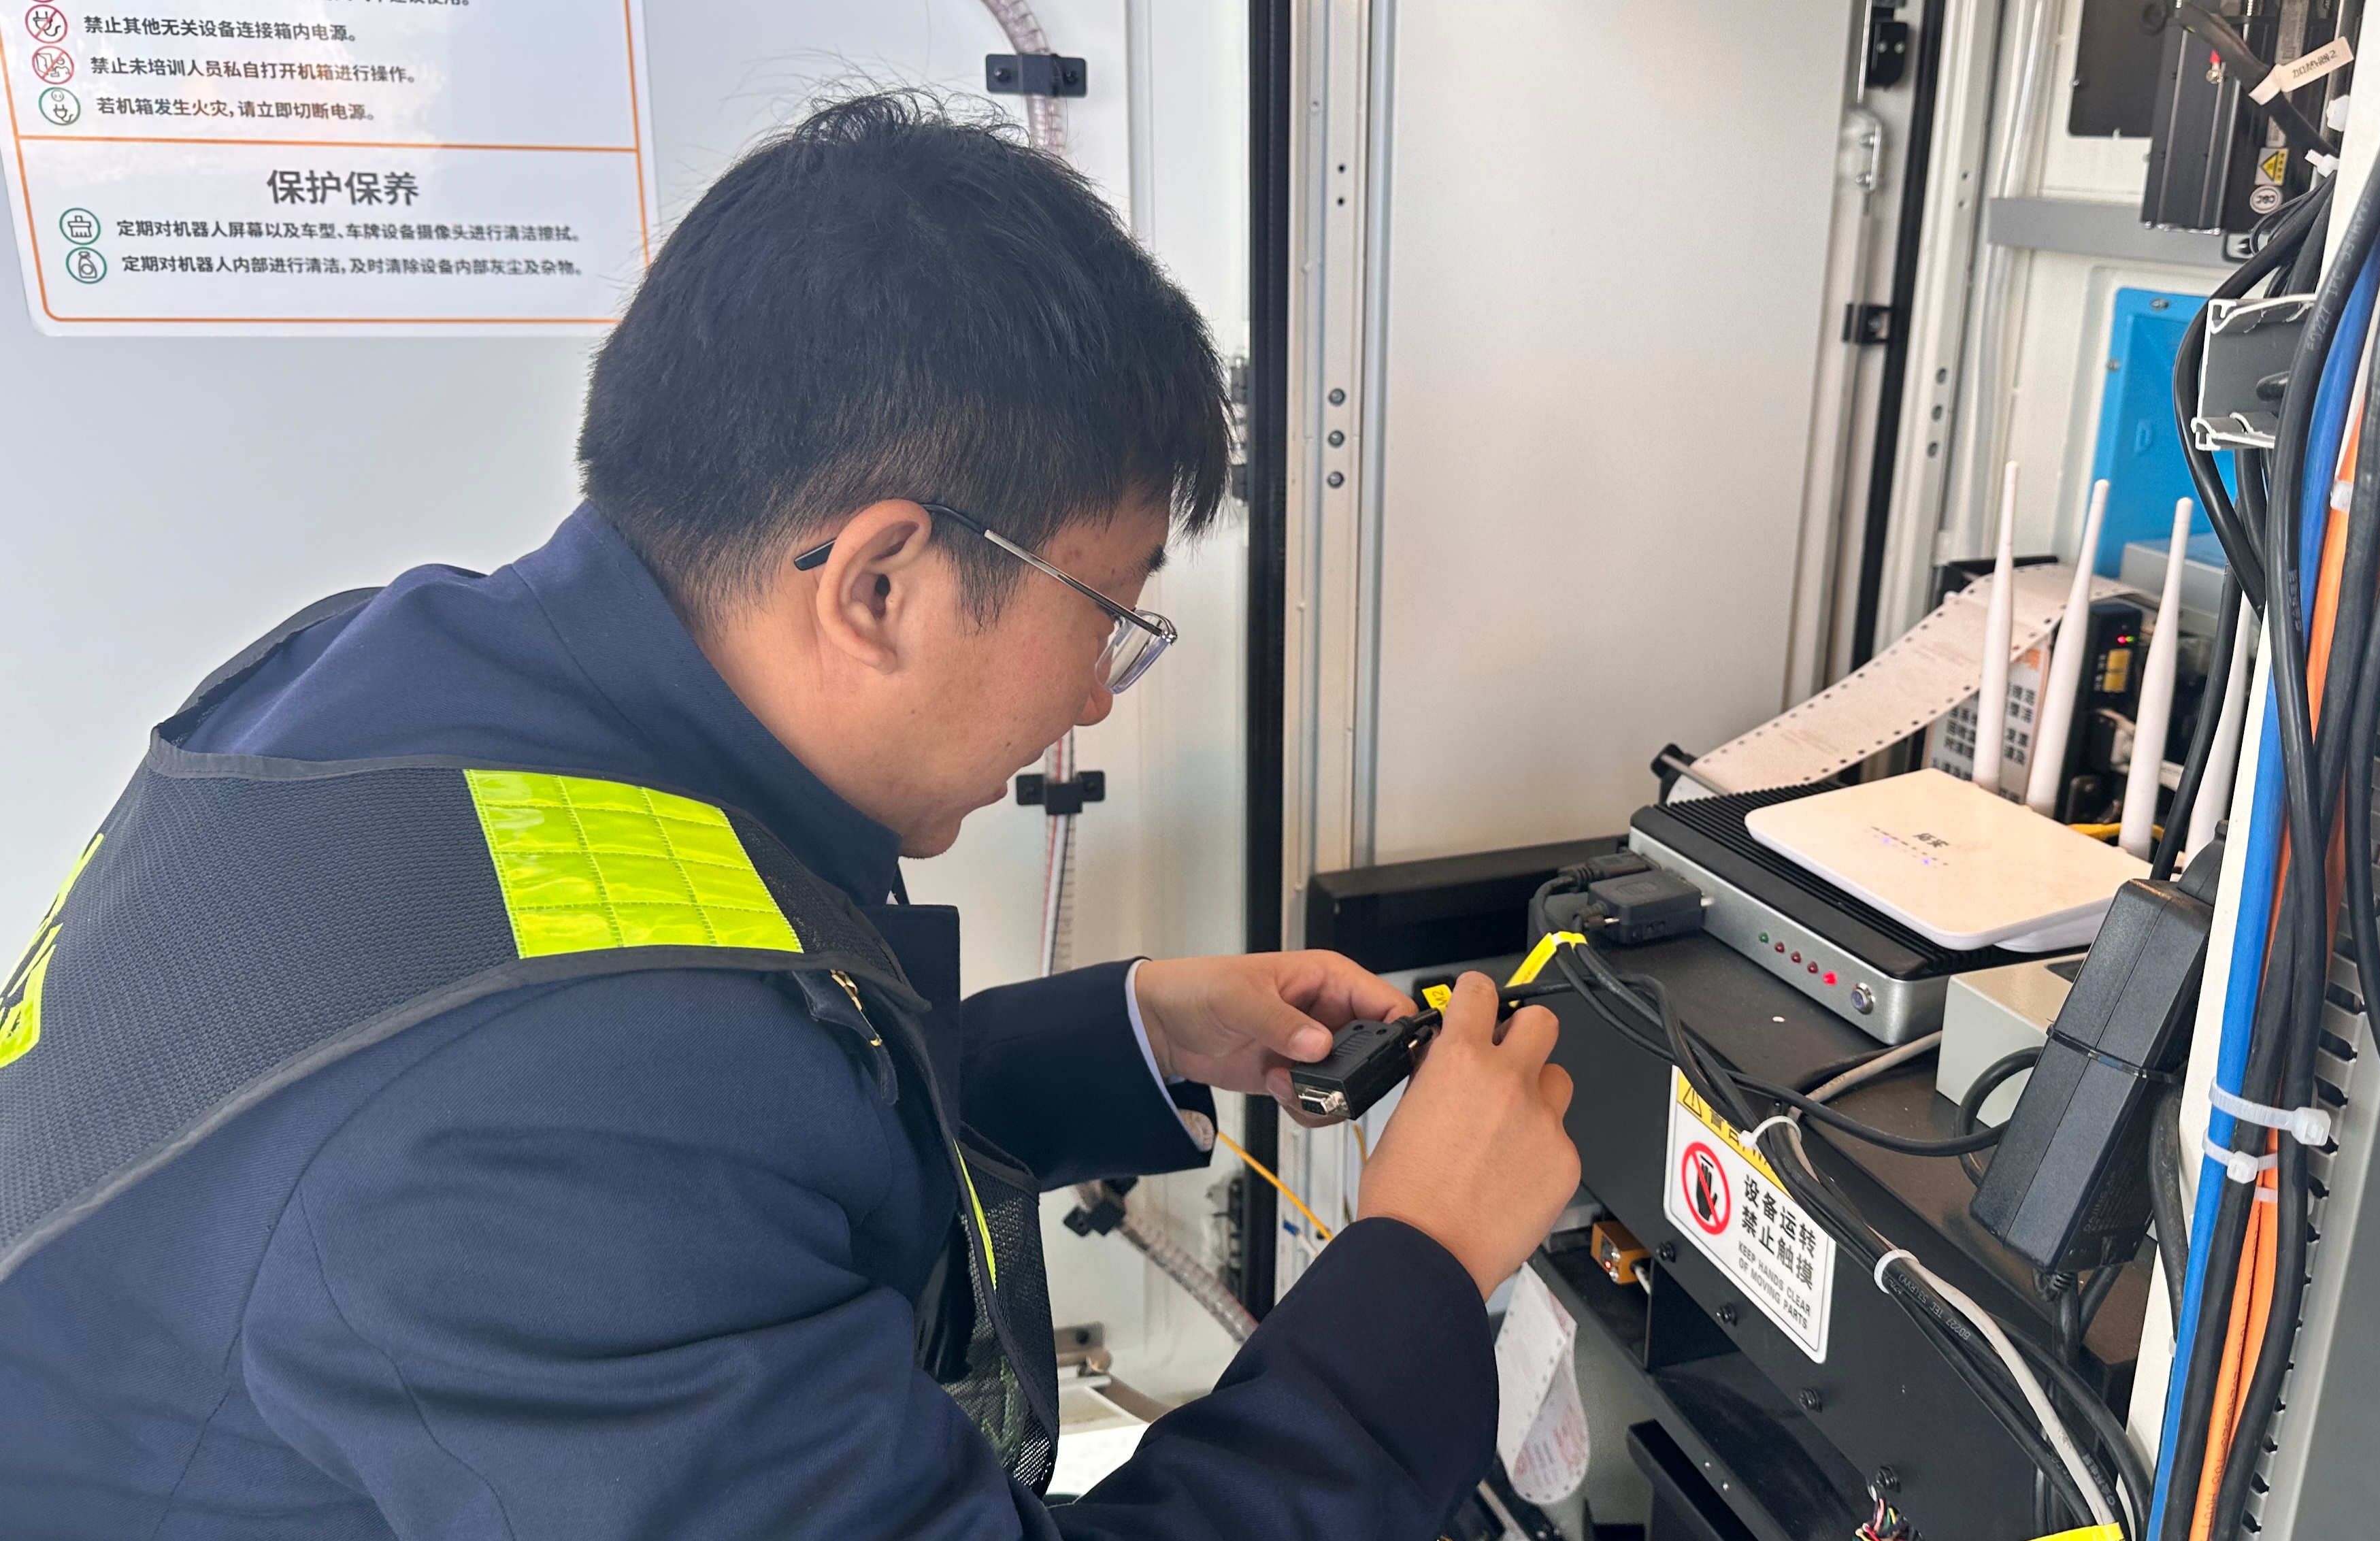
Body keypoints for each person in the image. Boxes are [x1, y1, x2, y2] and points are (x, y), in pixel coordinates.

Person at [0, 91, 1581, 1540]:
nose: (1098, 698)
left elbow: (724, 1072)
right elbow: (626, 1123)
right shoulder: (548, 1129)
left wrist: (1137, 1030)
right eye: (1107, 614)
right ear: (879, 584)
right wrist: (1423, 1269)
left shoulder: (404, 679)